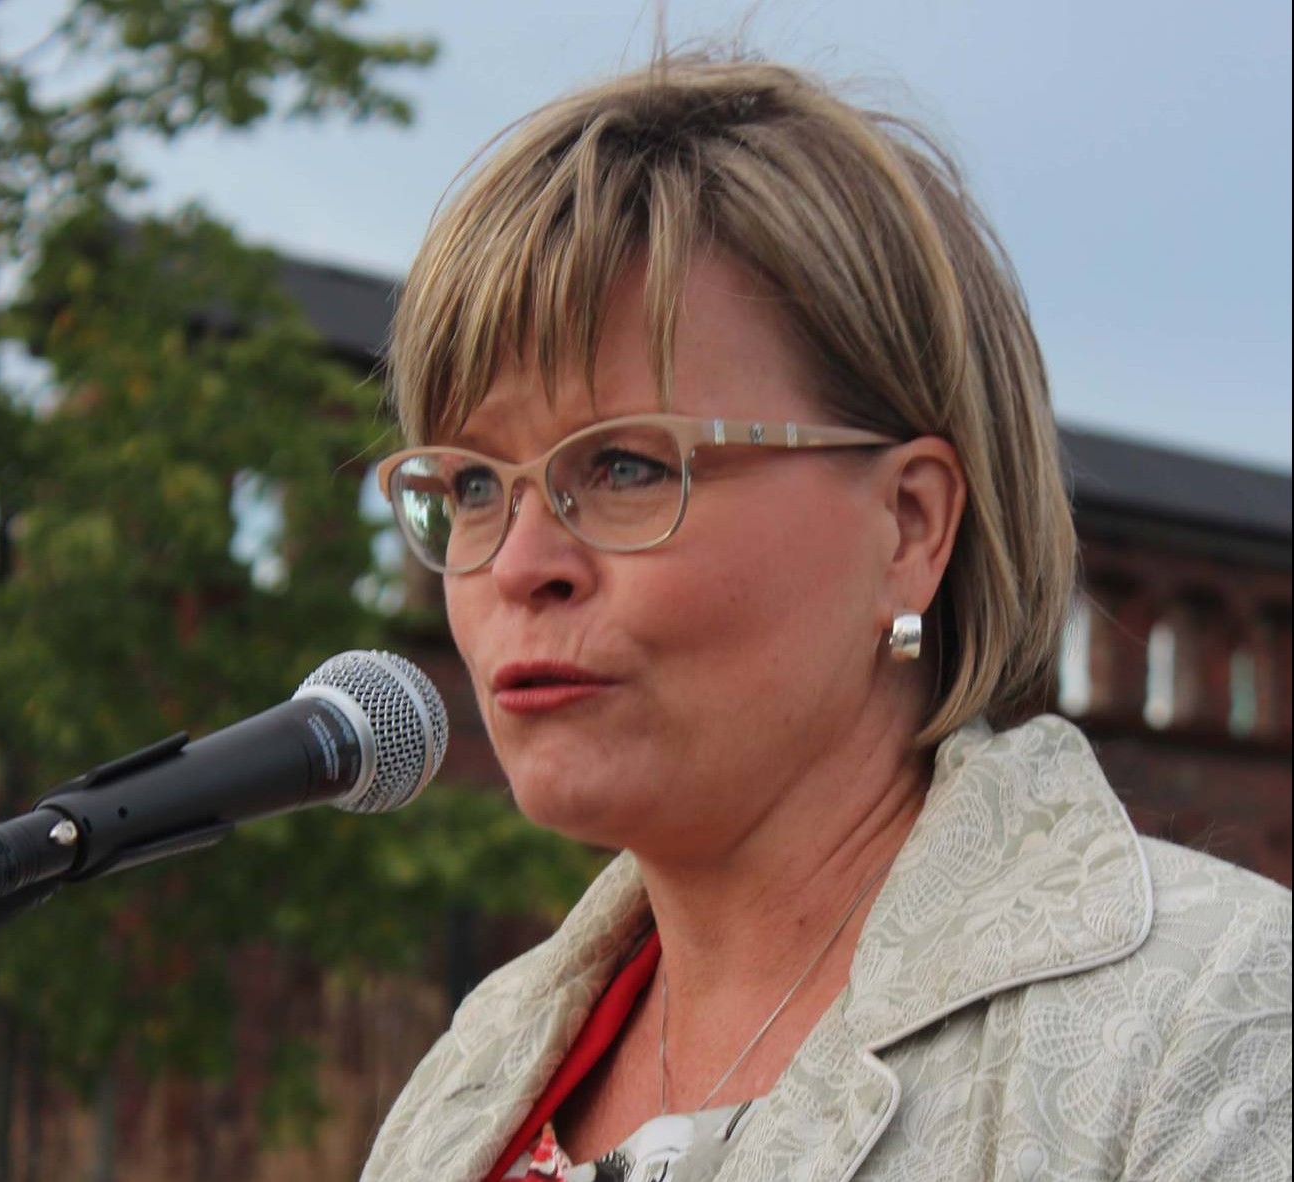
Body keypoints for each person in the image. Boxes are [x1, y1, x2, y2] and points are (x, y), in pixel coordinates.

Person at [360, 54, 1292, 1182]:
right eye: (470, 485)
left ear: (906, 527)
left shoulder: (1213, 1023)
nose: (518, 565)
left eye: (623, 467)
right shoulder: (466, 1082)